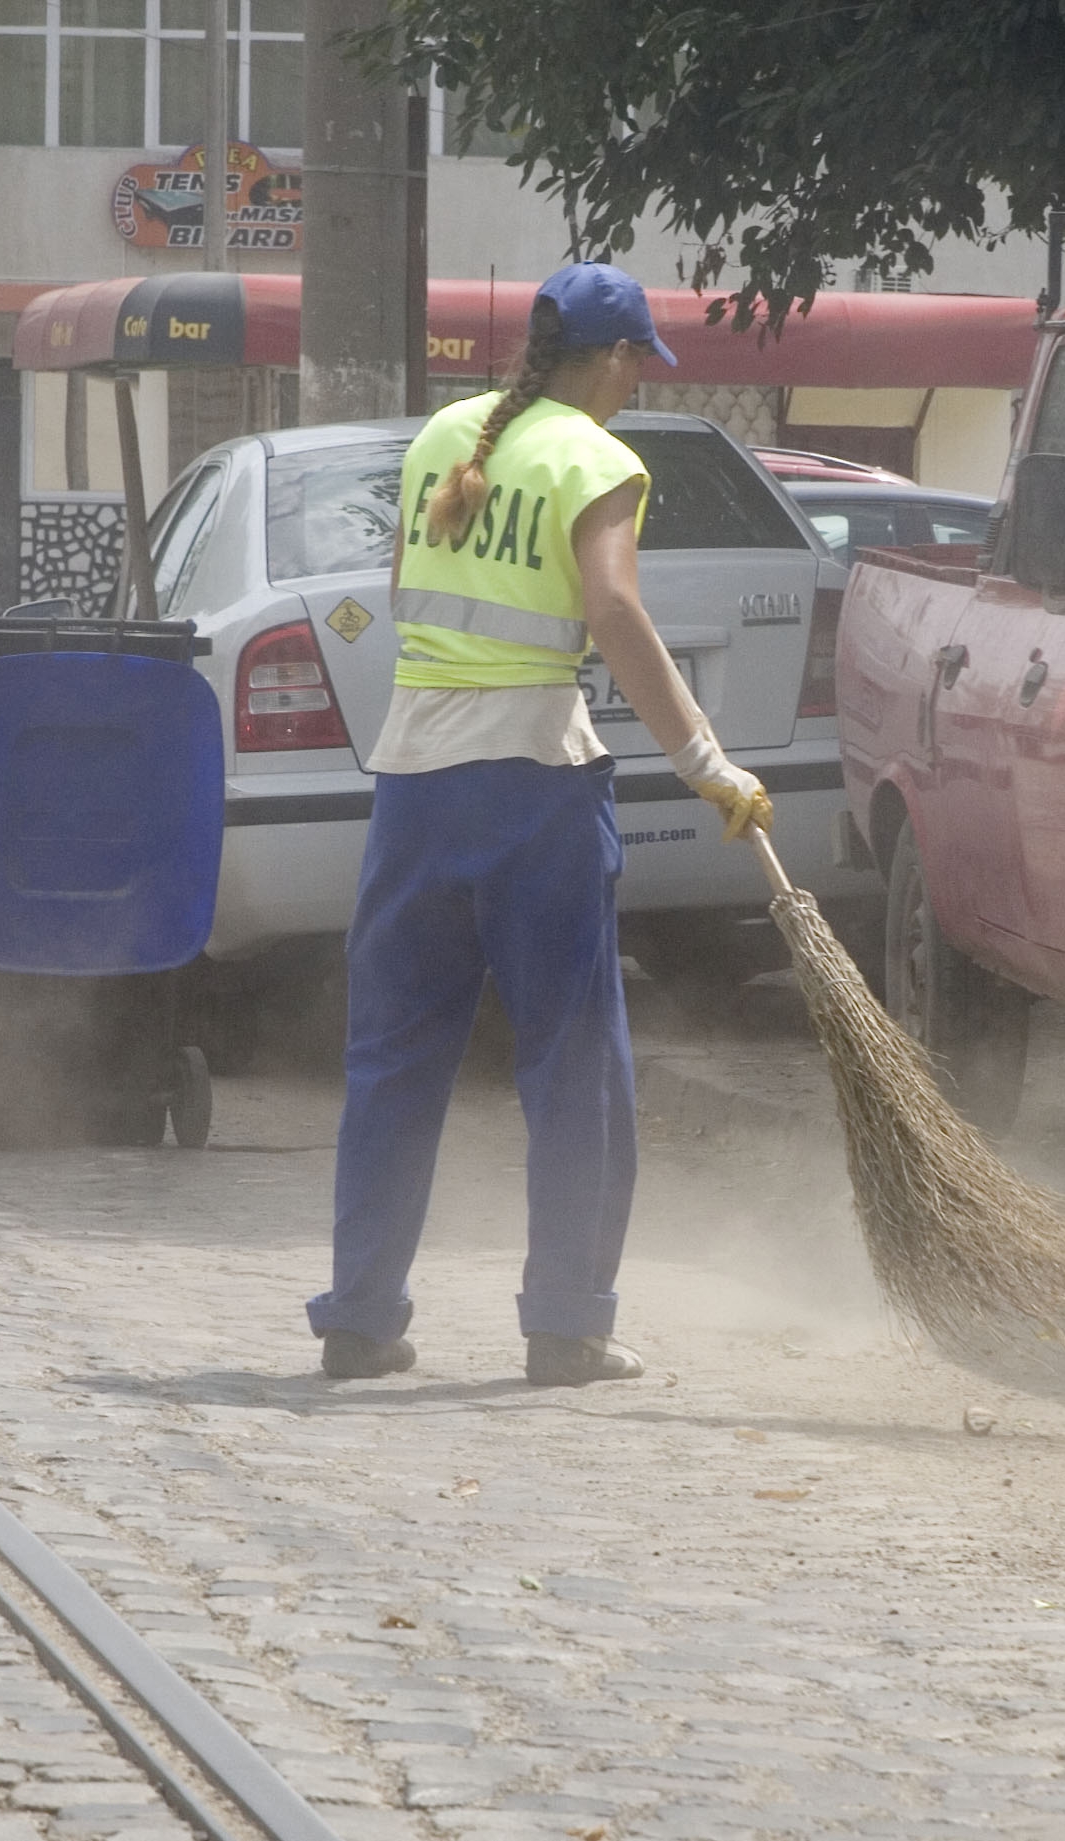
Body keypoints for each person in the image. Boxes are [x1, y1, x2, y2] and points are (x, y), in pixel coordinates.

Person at [306, 262, 772, 1387]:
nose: (632, 389)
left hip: (414, 785)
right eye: (633, 367)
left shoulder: (444, 439)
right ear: (611, 359)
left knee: (392, 1057)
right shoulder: (595, 456)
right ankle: (566, 1326)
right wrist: (706, 761)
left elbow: (407, 580)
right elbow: (610, 606)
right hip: (532, 789)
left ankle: (360, 1319)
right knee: (573, 1063)